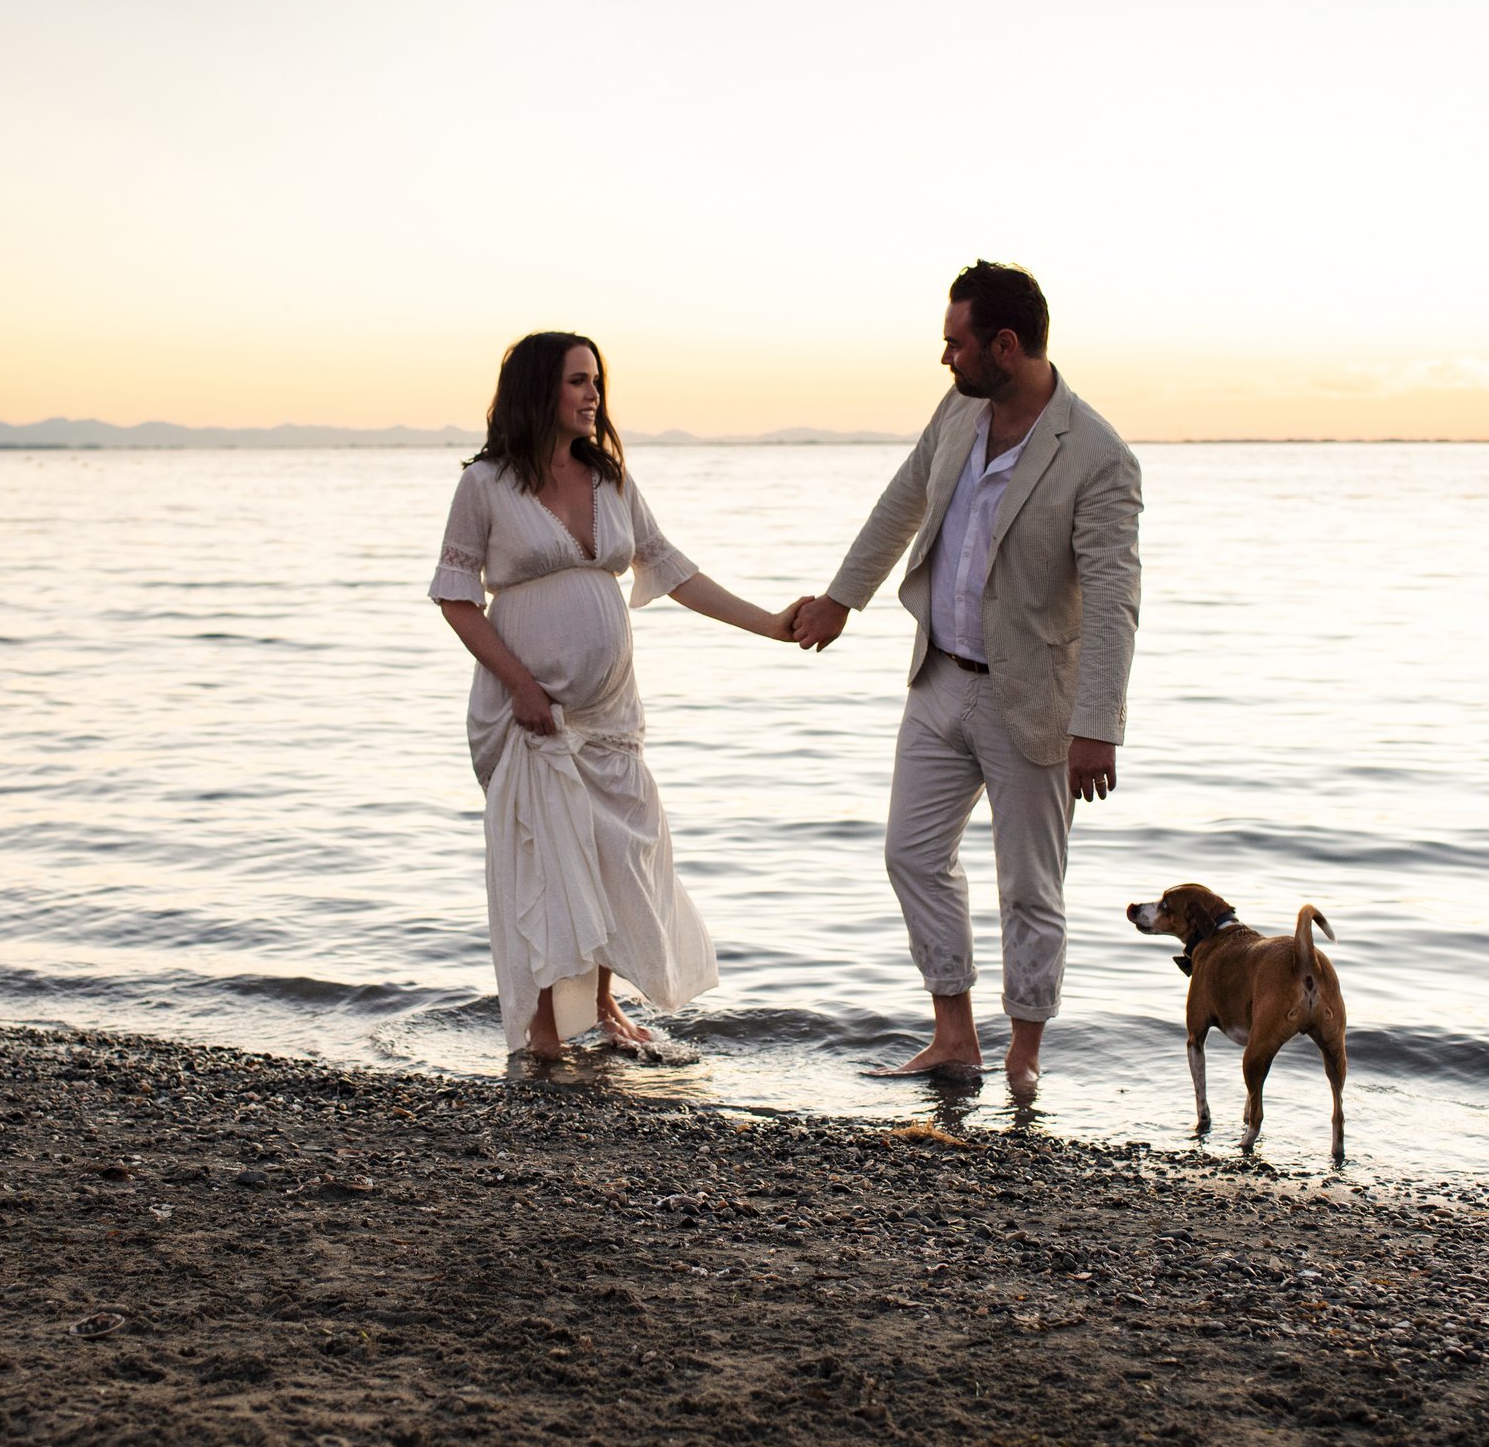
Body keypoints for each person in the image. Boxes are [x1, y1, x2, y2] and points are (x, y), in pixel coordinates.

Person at [792, 263, 1141, 1099]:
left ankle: (1023, 1054)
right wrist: (843, 601)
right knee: (911, 854)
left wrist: (1098, 725)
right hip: (939, 680)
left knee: (1030, 888)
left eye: (956, 341)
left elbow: (1117, 602)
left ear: (1006, 346)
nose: (944, 357)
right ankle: (955, 1038)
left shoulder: (1098, 458)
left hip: (1034, 703)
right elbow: (899, 503)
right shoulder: (957, 412)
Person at [433, 331, 805, 1057]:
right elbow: (455, 598)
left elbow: (672, 569)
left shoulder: (611, 481)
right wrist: (521, 686)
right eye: (577, 381)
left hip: (609, 713)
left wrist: (769, 626)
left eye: (596, 381)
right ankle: (545, 1028)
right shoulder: (486, 485)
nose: (592, 395)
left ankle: (602, 1006)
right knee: (550, 855)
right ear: (540, 390)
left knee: (615, 850)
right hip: (529, 709)